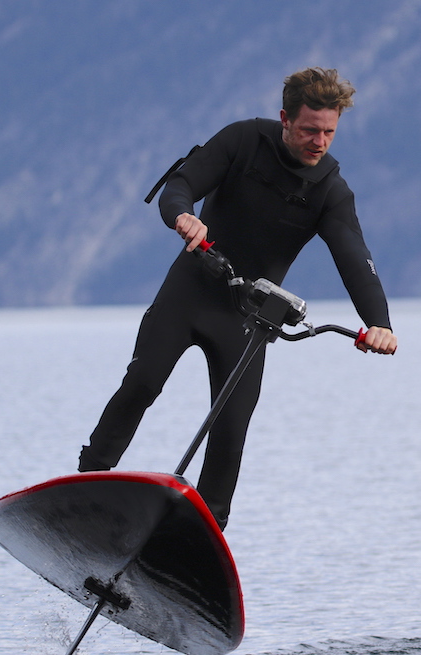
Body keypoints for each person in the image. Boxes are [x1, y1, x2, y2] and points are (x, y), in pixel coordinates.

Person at [78, 68, 397, 530]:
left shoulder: (330, 191)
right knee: (143, 382)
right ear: (285, 118)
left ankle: (203, 534)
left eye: (329, 131)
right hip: (189, 293)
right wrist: (184, 217)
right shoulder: (243, 141)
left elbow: (354, 259)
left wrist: (379, 322)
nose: (319, 141)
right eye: (309, 129)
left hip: (248, 320)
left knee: (230, 427)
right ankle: (89, 481)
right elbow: (180, 186)